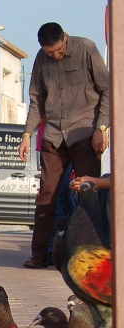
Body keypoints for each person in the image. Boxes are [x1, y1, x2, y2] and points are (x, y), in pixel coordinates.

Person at [17, 22, 109, 269]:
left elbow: (107, 90)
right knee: (46, 196)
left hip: (85, 133)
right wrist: (27, 134)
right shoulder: (41, 58)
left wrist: (101, 128)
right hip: (54, 136)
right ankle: (39, 255)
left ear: (65, 37)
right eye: (50, 53)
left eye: (58, 50)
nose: (55, 56)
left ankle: (90, 258)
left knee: (88, 193)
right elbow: (36, 100)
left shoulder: (86, 48)